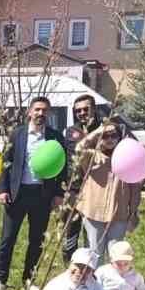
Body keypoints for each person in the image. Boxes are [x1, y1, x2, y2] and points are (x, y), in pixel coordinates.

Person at [0, 95, 68, 290]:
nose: (40, 114)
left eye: (44, 110)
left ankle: (29, 279)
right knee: (7, 239)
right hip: (17, 194)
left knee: (36, 240)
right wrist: (2, 189)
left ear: (49, 113)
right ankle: (0, 280)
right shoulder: (16, 134)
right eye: (37, 110)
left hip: (42, 196)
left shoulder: (55, 138)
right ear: (29, 112)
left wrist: (59, 194)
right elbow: (5, 163)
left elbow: (63, 167)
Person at [72, 118, 142, 257]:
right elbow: (79, 148)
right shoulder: (92, 156)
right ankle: (95, 278)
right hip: (93, 214)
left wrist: (133, 213)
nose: (109, 139)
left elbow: (135, 188)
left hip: (119, 215)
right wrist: (98, 130)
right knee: (95, 254)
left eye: (113, 135)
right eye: (105, 136)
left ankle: (111, 279)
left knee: (116, 255)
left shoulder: (127, 159)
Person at [61, 94, 105, 257]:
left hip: (98, 188)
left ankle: (90, 266)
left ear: (94, 109)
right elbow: (78, 152)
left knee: (92, 232)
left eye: (85, 109)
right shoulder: (72, 131)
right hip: (75, 189)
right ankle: (69, 264)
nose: (82, 113)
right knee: (71, 228)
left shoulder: (105, 129)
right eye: (78, 110)